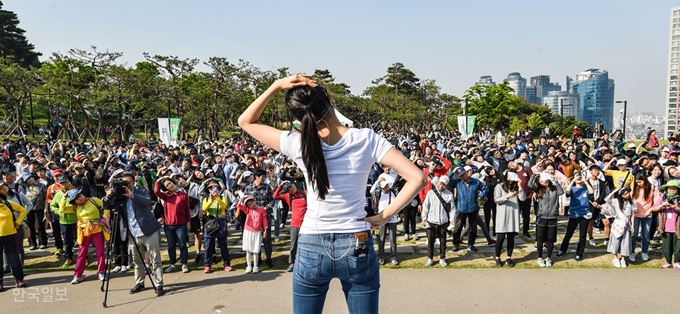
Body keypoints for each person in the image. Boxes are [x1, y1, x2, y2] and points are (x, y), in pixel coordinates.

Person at [237, 75, 425, 314]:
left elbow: (246, 121)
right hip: (357, 239)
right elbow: (418, 178)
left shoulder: (298, 143)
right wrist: (383, 216)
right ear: (329, 98)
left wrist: (276, 85)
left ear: (297, 117)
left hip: (311, 241)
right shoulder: (366, 139)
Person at [104, 173, 165, 296]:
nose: (127, 185)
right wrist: (108, 197)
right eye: (124, 182)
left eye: (129, 182)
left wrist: (132, 195)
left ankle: (159, 284)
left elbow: (148, 201)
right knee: (137, 261)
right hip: (133, 233)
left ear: (133, 183)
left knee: (155, 259)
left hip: (149, 231)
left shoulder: (141, 192)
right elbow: (106, 207)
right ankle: (140, 282)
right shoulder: (120, 196)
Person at [65, 189, 109, 284]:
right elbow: (62, 209)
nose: (79, 198)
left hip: (97, 230)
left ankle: (101, 272)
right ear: (74, 201)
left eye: (79, 195)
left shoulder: (93, 200)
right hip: (84, 231)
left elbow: (106, 207)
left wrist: (103, 220)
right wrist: (65, 197)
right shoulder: (74, 207)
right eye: (76, 198)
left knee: (100, 252)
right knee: (81, 253)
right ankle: (78, 275)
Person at [154, 176, 191, 273]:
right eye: (167, 185)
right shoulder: (166, 196)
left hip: (181, 224)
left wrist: (188, 222)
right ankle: (172, 264)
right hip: (169, 225)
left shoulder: (183, 195)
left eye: (170, 183)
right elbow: (156, 192)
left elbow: (187, 210)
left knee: (182, 244)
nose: (169, 186)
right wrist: (158, 181)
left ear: (173, 183)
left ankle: (184, 264)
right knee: (171, 245)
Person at [449, 166, 489, 253]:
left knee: (472, 229)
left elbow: (485, 188)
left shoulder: (476, 182)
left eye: (463, 174)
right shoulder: (458, 182)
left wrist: (481, 196)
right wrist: (453, 172)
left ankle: (470, 245)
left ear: (467, 173)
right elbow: (448, 181)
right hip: (461, 209)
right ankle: (456, 244)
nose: (463, 176)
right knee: (457, 228)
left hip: (473, 209)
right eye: (460, 175)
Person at [556, 172, 594, 262]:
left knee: (582, 235)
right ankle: (562, 250)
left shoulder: (585, 188)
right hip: (574, 214)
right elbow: (567, 193)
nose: (579, 178)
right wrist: (573, 180)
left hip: (584, 214)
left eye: (580, 176)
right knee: (569, 234)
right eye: (577, 176)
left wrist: (585, 181)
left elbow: (592, 193)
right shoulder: (572, 188)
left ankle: (579, 254)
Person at [530, 173, 564, 267]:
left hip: (553, 217)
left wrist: (556, 181)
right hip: (542, 217)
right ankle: (540, 257)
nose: (544, 182)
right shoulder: (540, 190)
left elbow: (561, 192)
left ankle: (548, 257)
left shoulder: (554, 189)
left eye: (545, 180)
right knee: (540, 239)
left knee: (550, 239)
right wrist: (534, 176)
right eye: (541, 181)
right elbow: (529, 185)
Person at [273, 180, 307, 272]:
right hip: (295, 224)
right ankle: (292, 262)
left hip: (307, 224)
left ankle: (305, 262)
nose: (291, 189)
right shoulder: (288, 196)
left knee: (307, 244)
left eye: (291, 187)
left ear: (294, 184)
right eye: (288, 189)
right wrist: (280, 185)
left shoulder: (305, 193)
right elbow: (275, 196)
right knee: (294, 244)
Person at [644, 180, 680, 268]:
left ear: (678, 190)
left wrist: (676, 208)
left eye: (674, 189)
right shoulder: (663, 197)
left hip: (678, 227)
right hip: (666, 226)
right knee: (666, 246)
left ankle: (677, 261)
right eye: (670, 189)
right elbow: (654, 208)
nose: (672, 190)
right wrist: (662, 205)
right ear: (667, 189)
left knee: (678, 246)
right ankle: (668, 261)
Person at [493, 171, 525, 267]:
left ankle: (508, 257)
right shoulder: (499, 186)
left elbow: (523, 198)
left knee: (511, 238)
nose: (511, 180)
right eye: (510, 178)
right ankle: (497, 257)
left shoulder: (516, 187)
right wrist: (507, 196)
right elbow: (497, 200)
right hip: (502, 215)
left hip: (513, 214)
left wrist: (520, 185)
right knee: (500, 238)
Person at [421, 176, 455, 267]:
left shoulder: (449, 195)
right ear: (438, 182)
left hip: (443, 222)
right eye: (440, 183)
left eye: (444, 185)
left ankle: (442, 258)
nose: (441, 186)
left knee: (443, 241)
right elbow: (425, 206)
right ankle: (430, 258)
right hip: (431, 221)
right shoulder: (431, 193)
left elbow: (452, 209)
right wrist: (424, 218)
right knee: (430, 241)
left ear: (446, 186)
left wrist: (452, 219)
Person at [201, 180, 232, 273]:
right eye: (211, 188)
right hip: (210, 222)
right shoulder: (206, 199)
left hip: (221, 222)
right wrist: (211, 199)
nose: (214, 190)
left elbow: (224, 206)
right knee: (208, 245)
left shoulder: (223, 197)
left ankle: (226, 264)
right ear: (208, 190)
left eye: (216, 187)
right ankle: (207, 265)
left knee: (223, 245)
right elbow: (204, 209)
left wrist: (217, 198)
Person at [0, 191, 27, 291]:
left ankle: (19, 279)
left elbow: (23, 210)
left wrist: (18, 222)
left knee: (14, 259)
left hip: (11, 235)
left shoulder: (8, 203)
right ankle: (0, 281)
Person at [629, 172, 659, 262]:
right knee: (633, 234)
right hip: (635, 214)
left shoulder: (653, 188)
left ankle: (644, 251)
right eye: (637, 182)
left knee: (646, 235)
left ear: (645, 180)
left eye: (640, 182)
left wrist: (650, 210)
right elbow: (629, 199)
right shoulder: (634, 188)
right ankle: (632, 252)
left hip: (647, 214)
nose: (638, 184)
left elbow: (656, 202)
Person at [236, 196, 267, 274]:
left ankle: (255, 266)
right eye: (249, 204)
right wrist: (242, 198)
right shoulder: (248, 210)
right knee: (248, 250)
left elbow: (264, 219)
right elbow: (239, 205)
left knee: (256, 250)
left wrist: (265, 230)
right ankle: (249, 266)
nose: (251, 205)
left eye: (252, 202)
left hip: (257, 232)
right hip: (248, 231)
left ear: (255, 201)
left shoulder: (261, 209)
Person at [606, 187, 634, 268]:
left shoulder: (632, 202)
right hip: (618, 224)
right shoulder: (616, 201)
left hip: (626, 224)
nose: (627, 195)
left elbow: (632, 214)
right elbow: (606, 199)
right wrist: (614, 191)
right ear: (621, 195)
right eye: (625, 194)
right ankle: (615, 258)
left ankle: (623, 258)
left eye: (628, 193)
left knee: (625, 242)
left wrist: (632, 225)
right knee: (616, 241)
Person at [375, 180, 399, 266]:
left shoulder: (392, 193)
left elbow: (396, 204)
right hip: (382, 219)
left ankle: (394, 256)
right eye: (385, 186)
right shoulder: (378, 194)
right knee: (381, 239)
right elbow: (371, 191)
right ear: (381, 187)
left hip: (392, 219)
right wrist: (377, 181)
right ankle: (381, 257)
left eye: (387, 185)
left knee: (392, 239)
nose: (386, 187)